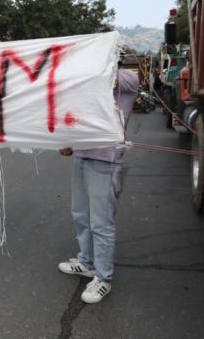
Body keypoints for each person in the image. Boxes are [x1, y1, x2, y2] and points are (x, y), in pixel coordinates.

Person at [58, 66, 139, 304]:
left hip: (105, 160)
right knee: (80, 215)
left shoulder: (126, 79)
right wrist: (69, 142)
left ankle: (103, 278)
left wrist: (98, 63)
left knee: (101, 223)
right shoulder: (88, 82)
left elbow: (124, 80)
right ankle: (86, 263)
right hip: (82, 157)